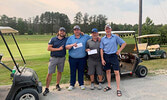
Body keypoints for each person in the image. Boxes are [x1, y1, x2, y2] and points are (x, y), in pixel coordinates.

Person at [100, 24, 126, 97]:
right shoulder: (103, 39)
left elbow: (124, 43)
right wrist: (102, 59)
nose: (108, 30)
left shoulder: (115, 37)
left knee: (116, 72)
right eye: (106, 29)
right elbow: (101, 49)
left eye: (109, 29)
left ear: (111, 30)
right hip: (106, 56)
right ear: (105, 30)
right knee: (107, 71)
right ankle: (109, 86)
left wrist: (119, 50)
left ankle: (118, 89)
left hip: (113, 56)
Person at [43, 27, 68, 96]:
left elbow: (75, 36)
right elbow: (48, 48)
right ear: (58, 32)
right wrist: (58, 49)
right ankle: (47, 88)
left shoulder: (66, 39)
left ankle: (57, 84)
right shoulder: (53, 39)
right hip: (53, 58)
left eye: (63, 31)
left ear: (65, 32)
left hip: (62, 58)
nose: (62, 32)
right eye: (61, 31)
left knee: (59, 72)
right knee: (50, 73)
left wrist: (81, 33)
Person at [66, 25, 91, 91]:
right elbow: (66, 47)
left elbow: (93, 37)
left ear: (80, 30)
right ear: (74, 31)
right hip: (72, 58)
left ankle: (81, 84)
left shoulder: (85, 36)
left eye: (78, 30)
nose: (76, 31)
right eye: (75, 30)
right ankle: (72, 84)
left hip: (82, 58)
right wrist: (72, 45)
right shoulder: (71, 38)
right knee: (73, 71)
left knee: (81, 71)